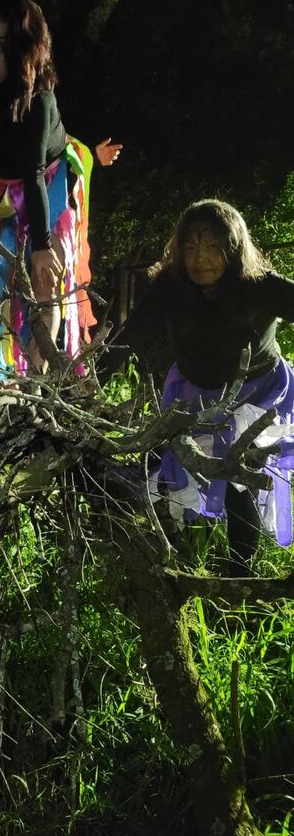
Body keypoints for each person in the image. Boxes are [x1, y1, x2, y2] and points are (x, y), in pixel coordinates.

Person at [101, 199, 294, 574]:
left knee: (235, 477)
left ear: (233, 247)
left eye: (211, 246)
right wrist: (90, 379)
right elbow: (131, 336)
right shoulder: (172, 286)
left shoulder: (261, 286)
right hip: (193, 391)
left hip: (257, 394)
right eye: (190, 246)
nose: (200, 258)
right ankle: (176, 557)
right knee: (173, 470)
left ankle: (241, 576)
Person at [0, 0, 121, 373]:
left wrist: (40, 244)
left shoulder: (38, 100)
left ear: (20, 53)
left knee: (43, 275)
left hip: (46, 185)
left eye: (1, 48)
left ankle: (41, 374)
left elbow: (35, 171)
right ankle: (8, 379)